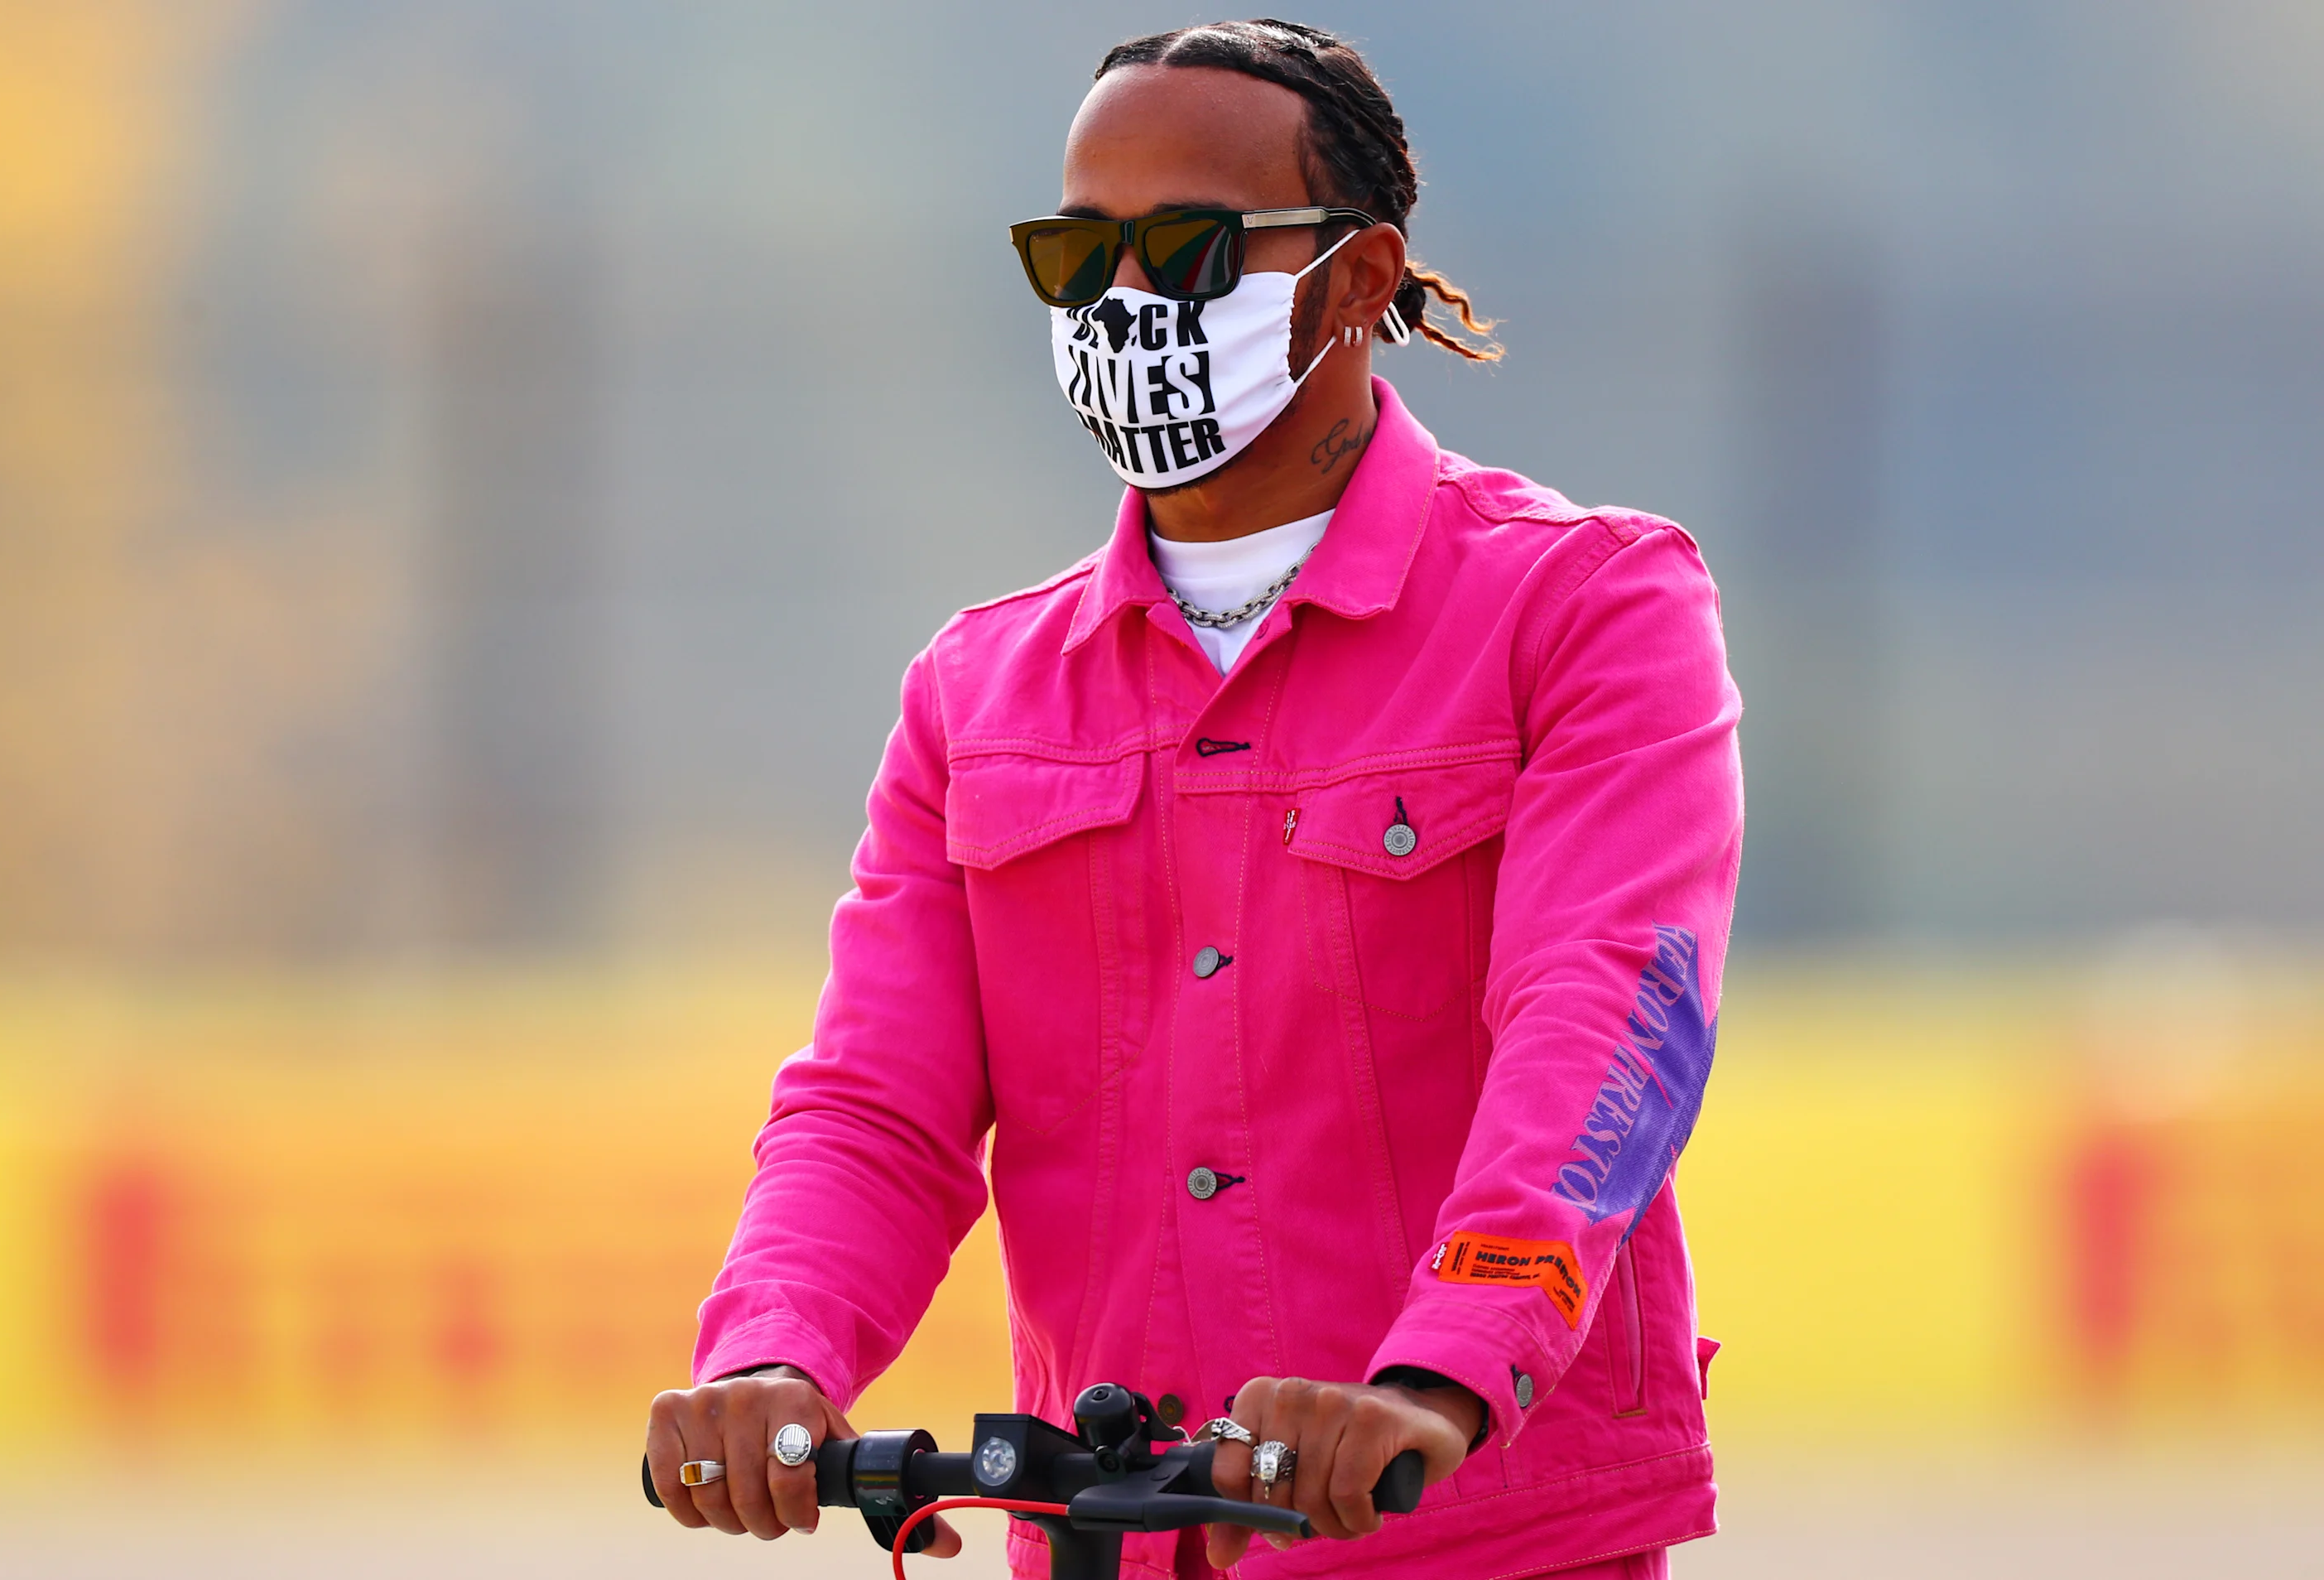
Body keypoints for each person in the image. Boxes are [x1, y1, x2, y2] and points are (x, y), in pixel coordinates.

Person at [645, 20, 1740, 1580]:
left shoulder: (1588, 608)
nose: (1120, 298)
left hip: (1485, 1534)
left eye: (1187, 247)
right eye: (1074, 250)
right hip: (1107, 1537)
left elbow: (1607, 1022)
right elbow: (875, 1109)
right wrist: (774, 1358)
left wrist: (1440, 1374)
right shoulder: (978, 691)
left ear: (1360, 280)